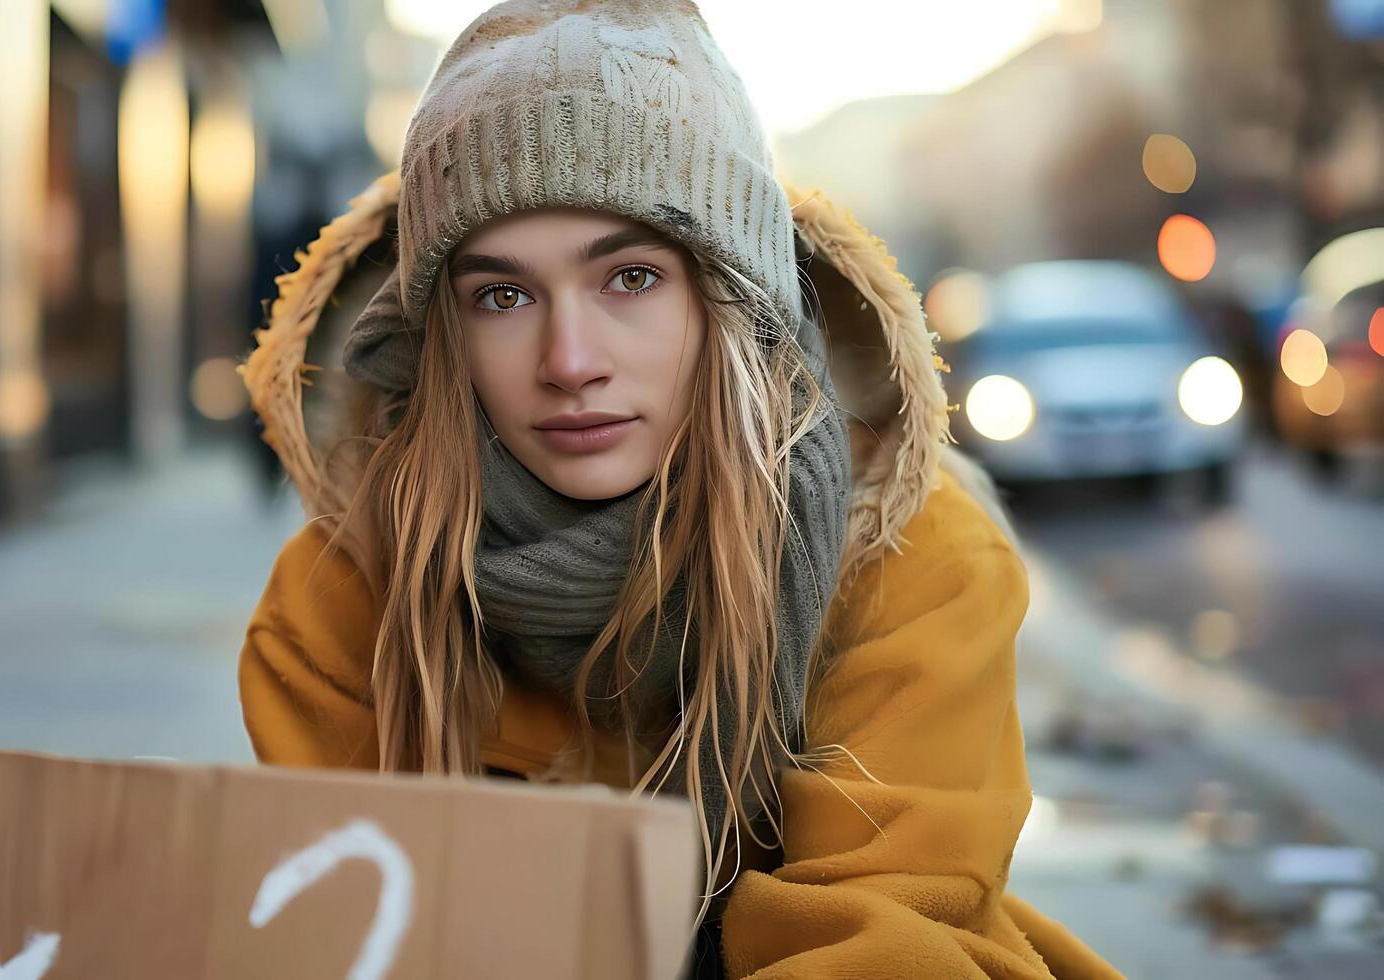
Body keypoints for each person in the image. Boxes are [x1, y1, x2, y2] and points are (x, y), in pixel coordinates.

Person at [236, 2, 1119, 976]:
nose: (570, 361)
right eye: (503, 293)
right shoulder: (341, 598)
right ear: (443, 336)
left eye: (631, 278)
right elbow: (345, 935)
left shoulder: (910, 553)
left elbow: (883, 938)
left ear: (731, 297)